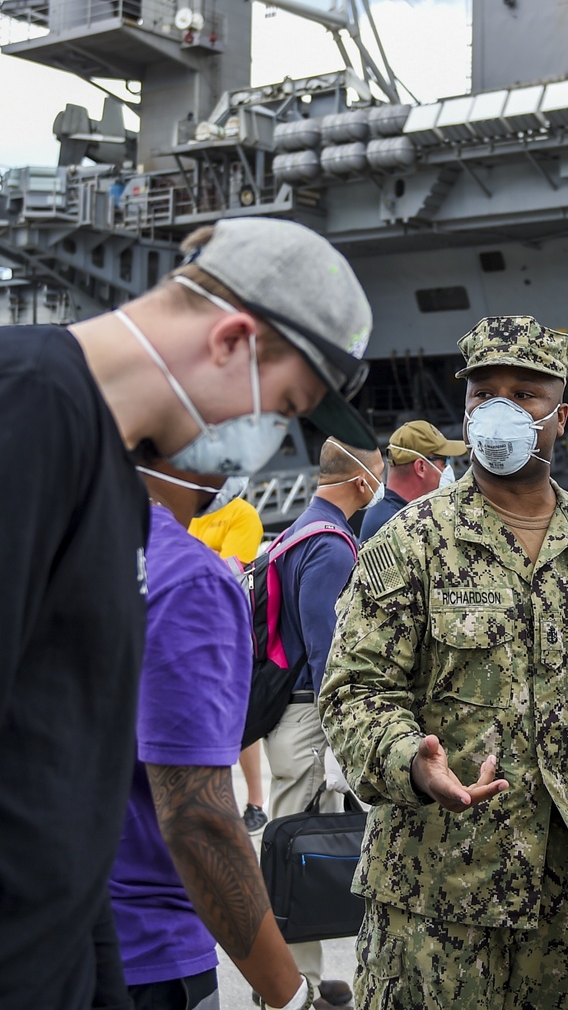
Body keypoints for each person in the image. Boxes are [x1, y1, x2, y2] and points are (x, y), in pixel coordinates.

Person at [0, 213, 373, 1010]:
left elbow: (67, 772)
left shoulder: (108, 481)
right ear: (232, 341)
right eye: (284, 405)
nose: (271, 439)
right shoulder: (27, 406)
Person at [320, 314, 568, 1010]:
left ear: (559, 416)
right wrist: (411, 759)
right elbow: (355, 691)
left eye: (525, 394)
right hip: (435, 910)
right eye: (483, 395)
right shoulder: (410, 543)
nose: (499, 409)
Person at [112, 454, 310, 1010]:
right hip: (143, 950)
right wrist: (288, 995)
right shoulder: (187, 576)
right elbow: (198, 820)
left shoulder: (42, 533)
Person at [264, 435, 385, 1005]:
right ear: (362, 481)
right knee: (295, 850)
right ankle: (293, 984)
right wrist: (341, 729)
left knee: (298, 843)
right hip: (310, 714)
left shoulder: (298, 530)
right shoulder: (333, 545)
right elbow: (326, 644)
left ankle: (306, 976)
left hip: (289, 711)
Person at [189, 481, 271, 833]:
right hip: (189, 627)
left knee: (238, 719)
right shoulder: (190, 514)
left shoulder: (242, 515)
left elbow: (228, 572)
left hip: (225, 628)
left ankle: (255, 802)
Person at [359, 418, 465, 540]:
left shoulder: (390, 511)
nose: (448, 469)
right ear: (421, 467)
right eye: (444, 461)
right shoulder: (395, 525)